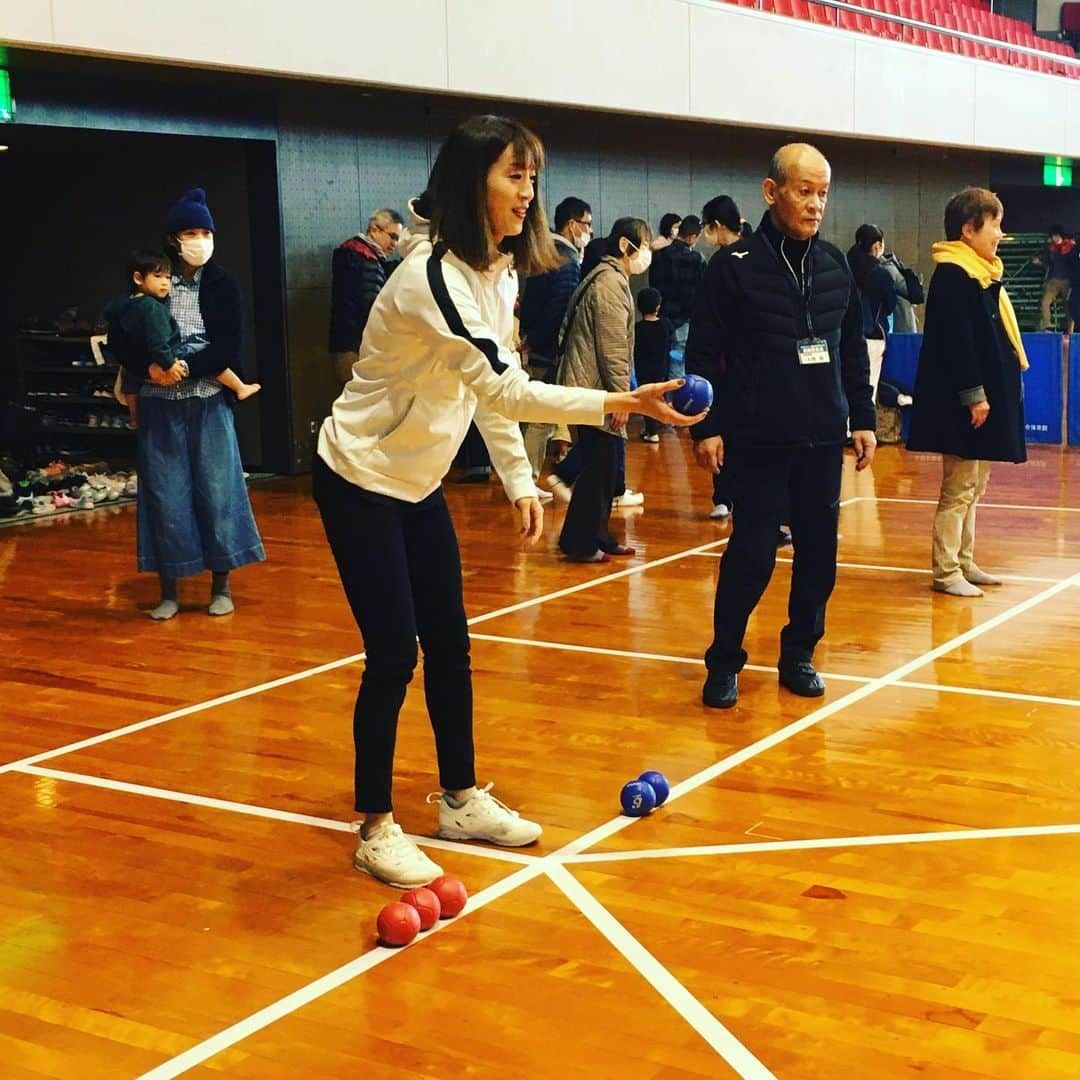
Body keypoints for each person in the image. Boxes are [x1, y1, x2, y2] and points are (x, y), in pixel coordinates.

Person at [313, 115, 703, 888]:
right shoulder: (431, 279)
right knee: (394, 654)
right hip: (358, 477)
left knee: (451, 644)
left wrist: (518, 477)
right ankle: (375, 826)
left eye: (532, 177)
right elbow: (506, 386)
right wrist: (621, 402)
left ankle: (459, 798)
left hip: (416, 482)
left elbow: (483, 388)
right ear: (470, 183)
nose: (528, 192)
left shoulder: (497, 273)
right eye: (512, 177)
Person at [686, 143, 876, 709]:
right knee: (751, 556)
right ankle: (724, 661)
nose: (816, 204)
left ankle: (799, 655)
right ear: (772, 193)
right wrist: (706, 427)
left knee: (819, 557)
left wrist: (862, 418)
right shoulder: (732, 268)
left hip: (822, 439)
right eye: (804, 191)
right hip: (756, 439)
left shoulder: (837, 264)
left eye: (823, 193)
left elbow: (851, 351)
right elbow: (703, 353)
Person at [137, 187, 265, 620]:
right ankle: (169, 589)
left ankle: (222, 583)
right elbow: (128, 335)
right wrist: (151, 370)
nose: (199, 240)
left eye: (205, 232)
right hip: (159, 402)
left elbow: (228, 347)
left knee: (218, 491)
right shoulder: (153, 281)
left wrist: (186, 368)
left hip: (208, 399)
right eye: (190, 232)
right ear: (174, 239)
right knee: (165, 495)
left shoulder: (222, 282)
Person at [906, 188, 1027, 597]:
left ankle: (964, 560)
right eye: (994, 225)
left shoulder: (981, 273)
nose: (999, 234)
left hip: (980, 403)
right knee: (957, 488)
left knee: (975, 486)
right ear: (968, 229)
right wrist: (974, 394)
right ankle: (945, 571)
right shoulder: (953, 275)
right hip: (960, 403)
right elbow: (957, 342)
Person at [555, 217, 651, 562]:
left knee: (605, 466)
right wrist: (621, 396)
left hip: (593, 389)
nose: (646, 255)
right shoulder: (610, 283)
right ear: (626, 245)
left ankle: (597, 535)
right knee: (599, 467)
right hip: (596, 391)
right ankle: (580, 543)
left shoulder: (608, 278)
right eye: (643, 244)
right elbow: (612, 348)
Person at [108, 250, 260, 428]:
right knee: (198, 349)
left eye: (167, 278)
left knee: (130, 382)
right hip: (165, 369)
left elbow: (226, 349)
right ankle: (239, 386)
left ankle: (135, 418)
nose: (165, 283)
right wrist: (167, 365)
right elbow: (154, 341)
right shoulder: (151, 306)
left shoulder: (125, 303)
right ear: (138, 278)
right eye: (159, 277)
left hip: (203, 393)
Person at [518, 196, 592, 487]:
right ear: (572, 224)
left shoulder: (544, 252)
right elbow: (560, 307)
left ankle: (528, 477)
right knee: (542, 417)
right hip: (550, 349)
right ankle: (528, 480)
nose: (589, 230)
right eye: (586, 224)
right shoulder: (566, 259)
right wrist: (543, 342)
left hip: (536, 342)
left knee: (542, 415)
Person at [328, 208, 405, 384]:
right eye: (392, 236)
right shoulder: (364, 258)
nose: (395, 244)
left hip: (347, 343)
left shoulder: (357, 254)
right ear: (374, 229)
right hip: (355, 347)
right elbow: (372, 306)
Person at [649, 213, 706, 375]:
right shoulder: (697, 259)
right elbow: (702, 290)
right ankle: (676, 399)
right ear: (692, 237)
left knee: (663, 361)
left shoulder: (660, 255)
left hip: (661, 319)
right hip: (683, 322)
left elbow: (654, 286)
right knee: (678, 361)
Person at [847, 224, 898, 401]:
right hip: (873, 335)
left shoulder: (844, 266)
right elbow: (891, 305)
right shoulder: (881, 273)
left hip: (845, 335)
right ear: (877, 246)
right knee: (869, 387)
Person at [633, 287, 673, 443]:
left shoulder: (638, 328)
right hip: (661, 368)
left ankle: (652, 432)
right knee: (659, 396)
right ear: (658, 306)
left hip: (643, 369)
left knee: (647, 399)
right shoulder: (666, 324)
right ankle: (658, 423)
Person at [1031, 224, 1074, 331]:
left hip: (1067, 280)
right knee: (1045, 302)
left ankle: (1070, 330)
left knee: (1069, 307)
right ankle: (1047, 326)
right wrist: (1039, 262)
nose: (1054, 238)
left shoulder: (1070, 247)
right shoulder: (1050, 248)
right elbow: (1046, 262)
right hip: (1053, 280)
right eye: (1053, 236)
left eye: (1056, 236)